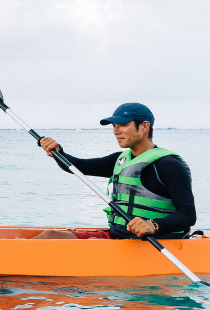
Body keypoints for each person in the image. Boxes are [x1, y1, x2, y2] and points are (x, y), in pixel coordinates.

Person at [34, 102, 195, 240]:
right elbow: (79, 167)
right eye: (114, 126)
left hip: (153, 242)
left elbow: (188, 215)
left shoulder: (169, 165)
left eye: (123, 125)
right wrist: (58, 152)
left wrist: (153, 225)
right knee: (50, 235)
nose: (116, 131)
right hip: (118, 237)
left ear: (145, 126)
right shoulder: (121, 160)